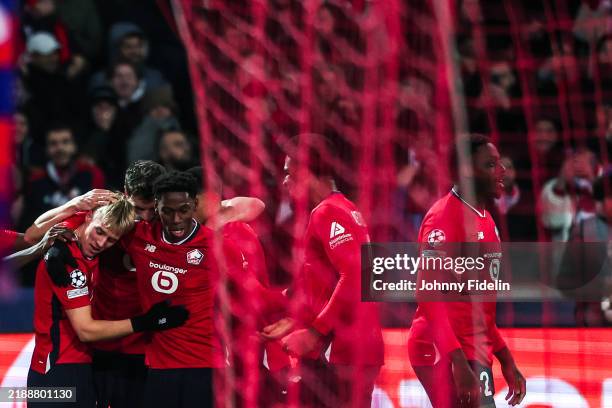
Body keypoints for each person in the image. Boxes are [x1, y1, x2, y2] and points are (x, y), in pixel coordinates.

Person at [27, 196, 188, 408]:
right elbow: (86, 330)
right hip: (55, 372)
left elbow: (77, 224)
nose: (101, 243)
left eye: (111, 240)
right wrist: (145, 322)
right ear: (88, 216)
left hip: (77, 365)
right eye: (100, 231)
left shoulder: (87, 245)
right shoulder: (67, 261)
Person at [262, 134, 384, 407]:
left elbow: (354, 276)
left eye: (288, 172)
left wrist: (314, 333)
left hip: (340, 350)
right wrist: (297, 319)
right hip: (353, 346)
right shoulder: (344, 208)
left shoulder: (328, 212)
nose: (283, 181)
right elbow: (330, 281)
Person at [408, 134, 525, 407]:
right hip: (442, 348)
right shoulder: (444, 218)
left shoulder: (486, 219)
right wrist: (458, 363)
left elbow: (480, 307)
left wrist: (505, 358)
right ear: (466, 172)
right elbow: (427, 296)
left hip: (472, 346)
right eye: (491, 165)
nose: (502, 171)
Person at [39, 161, 166, 408]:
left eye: (154, 210)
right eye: (140, 210)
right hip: (92, 352)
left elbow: (249, 205)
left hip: (142, 353)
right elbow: (34, 234)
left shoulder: (170, 223)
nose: (147, 218)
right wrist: (61, 234)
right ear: (126, 196)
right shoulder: (103, 220)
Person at [118, 171, 243, 407]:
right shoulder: (138, 237)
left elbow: (247, 296)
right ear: (156, 207)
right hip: (159, 366)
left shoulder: (219, 246)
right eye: (167, 210)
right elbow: (97, 223)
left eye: (184, 209)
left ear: (195, 205)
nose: (176, 219)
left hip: (206, 365)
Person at [186, 166, 289, 406]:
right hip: (234, 354)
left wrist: (291, 298)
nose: (187, 209)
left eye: (193, 201)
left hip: (253, 353)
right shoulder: (207, 235)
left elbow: (256, 298)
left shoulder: (233, 233)